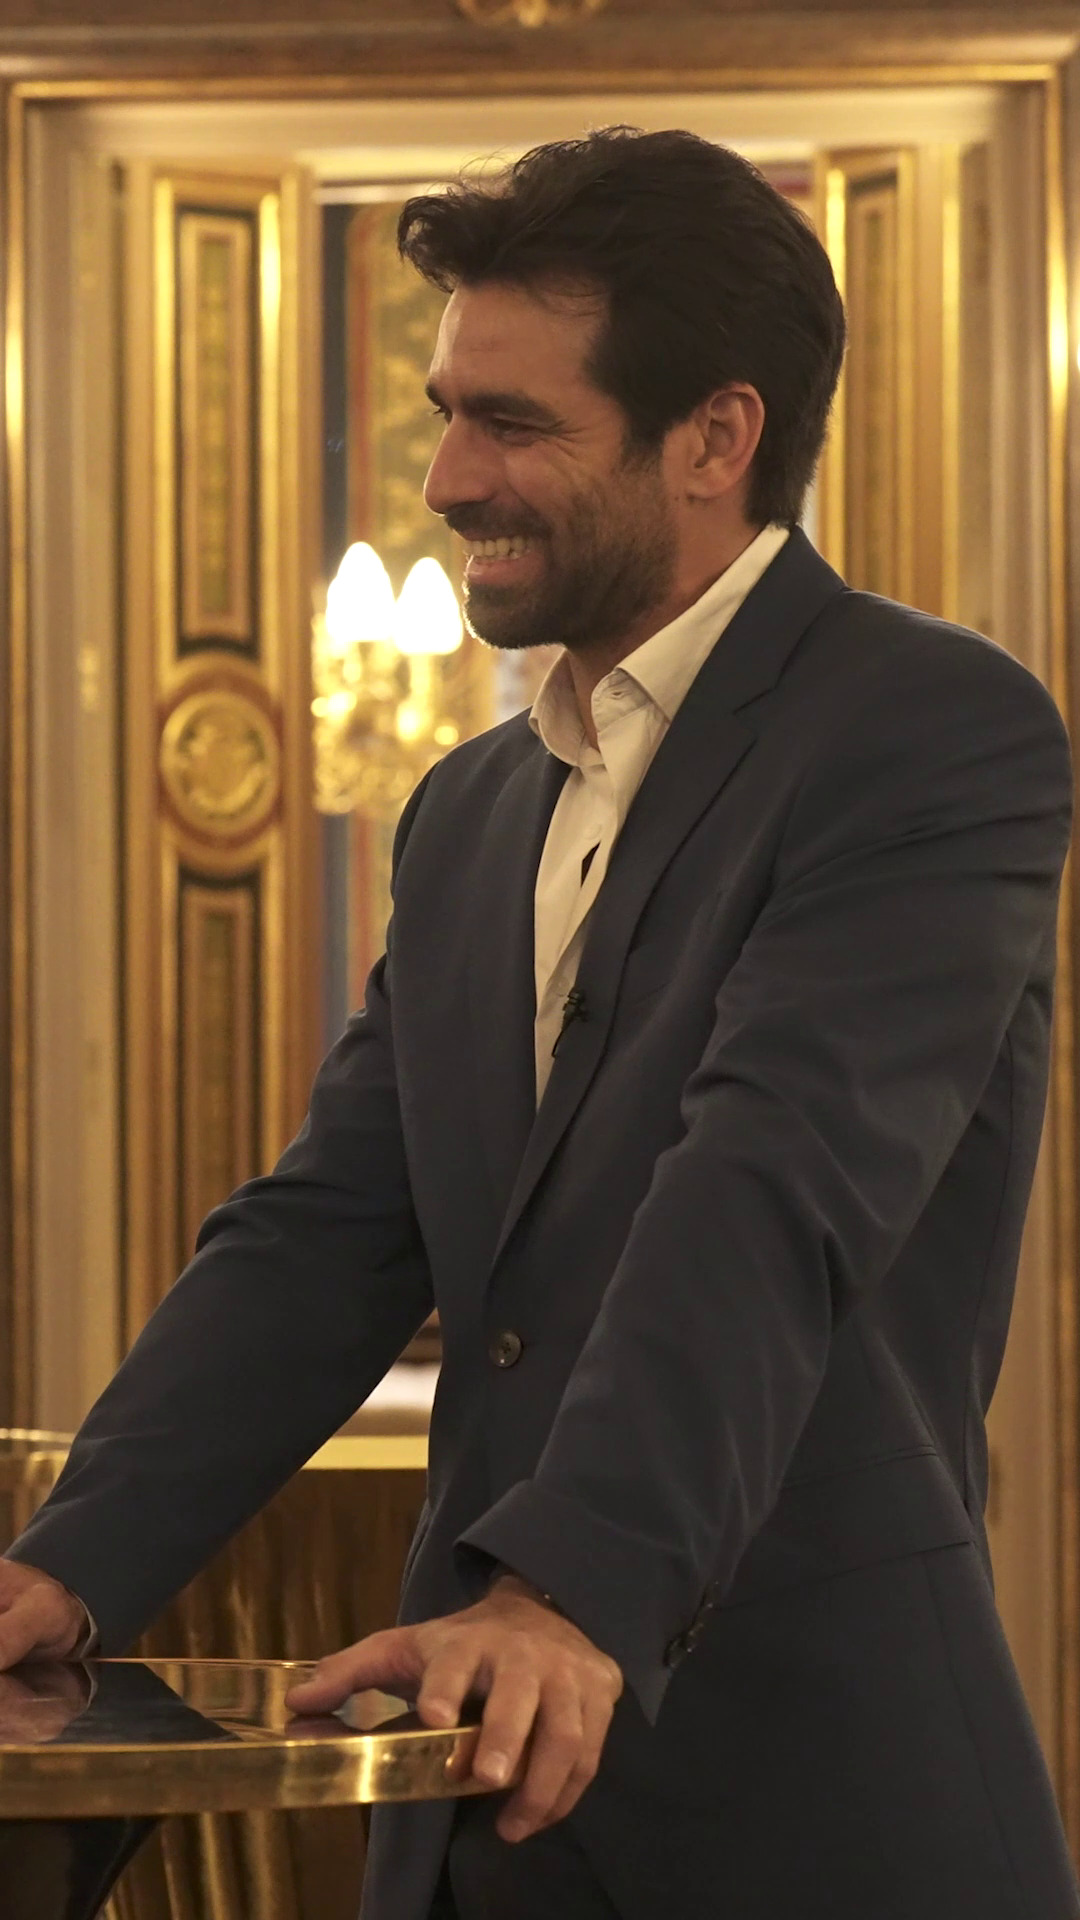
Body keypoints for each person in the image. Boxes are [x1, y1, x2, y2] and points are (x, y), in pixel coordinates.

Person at [0, 126, 1076, 1920]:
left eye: (512, 423)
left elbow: (773, 1183)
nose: (445, 478)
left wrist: (566, 1591)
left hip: (808, 1801)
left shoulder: (928, 730)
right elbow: (323, 1236)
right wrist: (68, 1565)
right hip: (476, 1799)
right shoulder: (469, 808)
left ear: (715, 439)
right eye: (447, 413)